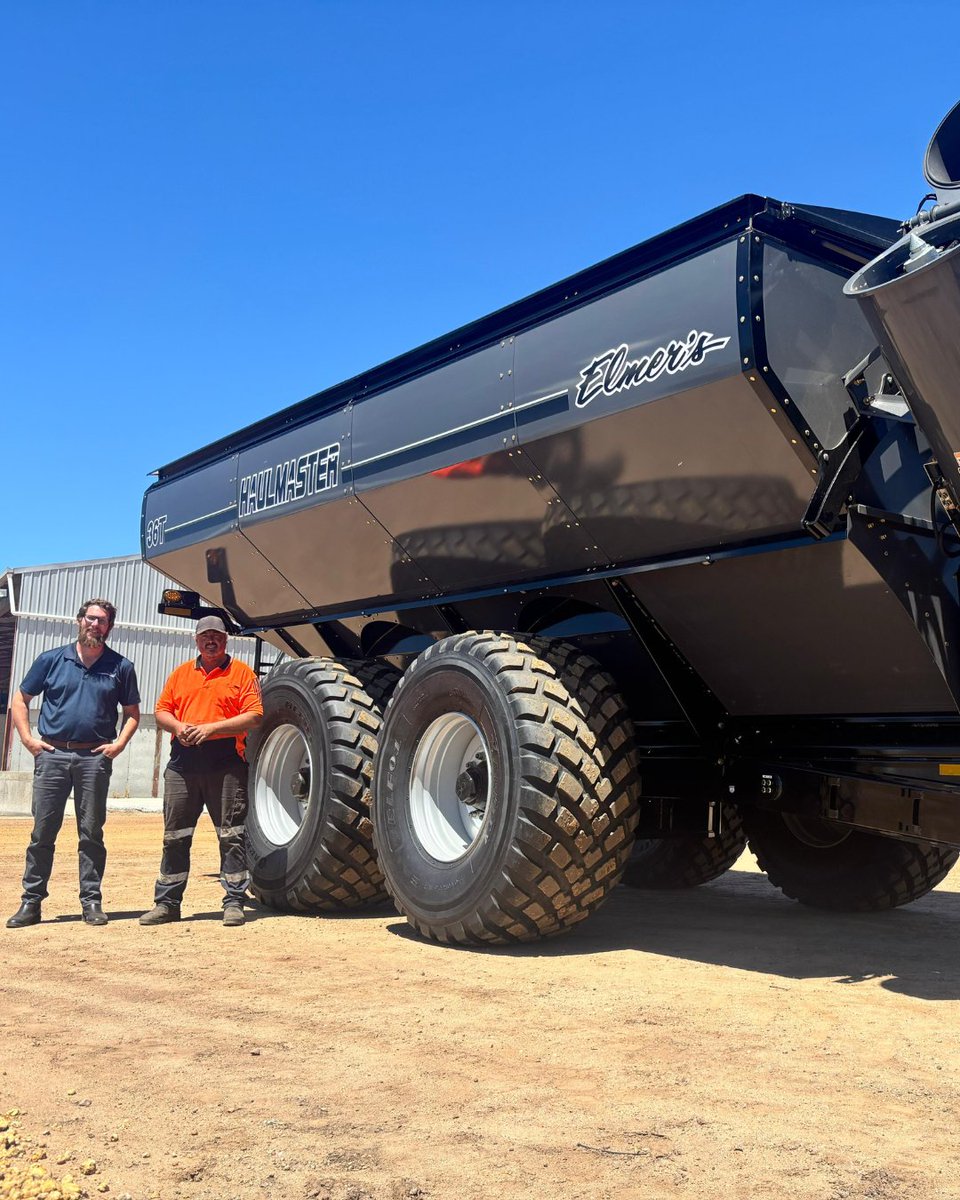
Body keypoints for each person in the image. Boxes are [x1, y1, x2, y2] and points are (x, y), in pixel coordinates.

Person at [6, 599, 141, 929]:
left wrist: (118, 745)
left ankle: (91, 902)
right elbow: (20, 699)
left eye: (103, 621)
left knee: (91, 832)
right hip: (52, 756)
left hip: (94, 759)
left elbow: (133, 714)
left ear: (109, 627)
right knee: (42, 832)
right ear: (79, 620)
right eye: (91, 618)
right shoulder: (52, 660)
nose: (95, 625)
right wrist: (27, 739)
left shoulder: (120, 666)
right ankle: (31, 902)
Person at [139, 615, 263, 928]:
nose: (211, 641)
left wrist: (211, 729)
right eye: (205, 636)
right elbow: (162, 711)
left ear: (226, 640)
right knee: (175, 837)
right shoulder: (181, 674)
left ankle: (234, 901)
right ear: (196, 640)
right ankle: (167, 903)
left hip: (225, 765)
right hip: (183, 765)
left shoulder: (242, 673)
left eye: (217, 636)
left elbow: (254, 716)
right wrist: (180, 727)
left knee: (231, 835)